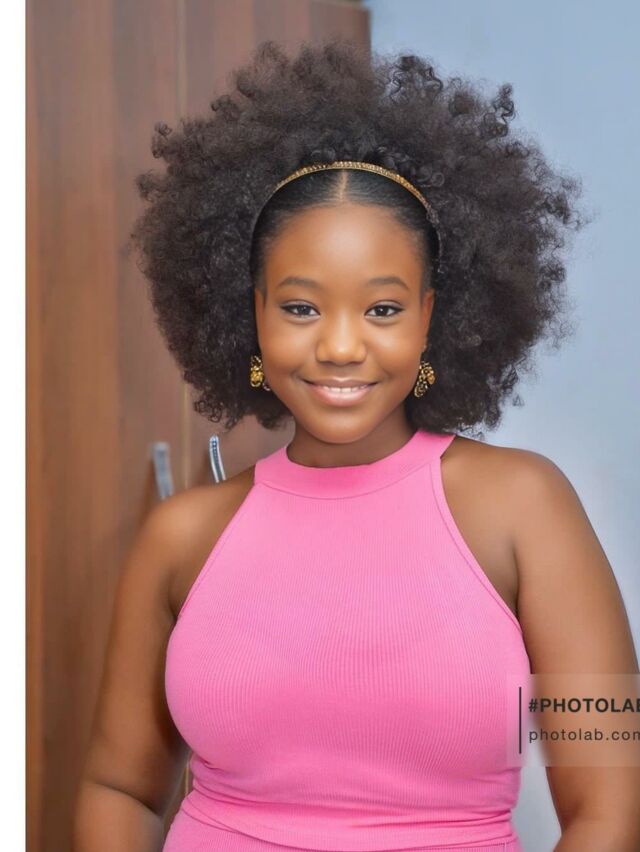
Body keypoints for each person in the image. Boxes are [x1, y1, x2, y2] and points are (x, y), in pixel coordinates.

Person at [73, 39, 640, 851]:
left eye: (382, 309)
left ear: (431, 315)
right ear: (253, 314)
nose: (341, 347)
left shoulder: (529, 507)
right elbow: (118, 788)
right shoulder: (181, 536)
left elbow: (614, 808)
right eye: (301, 308)